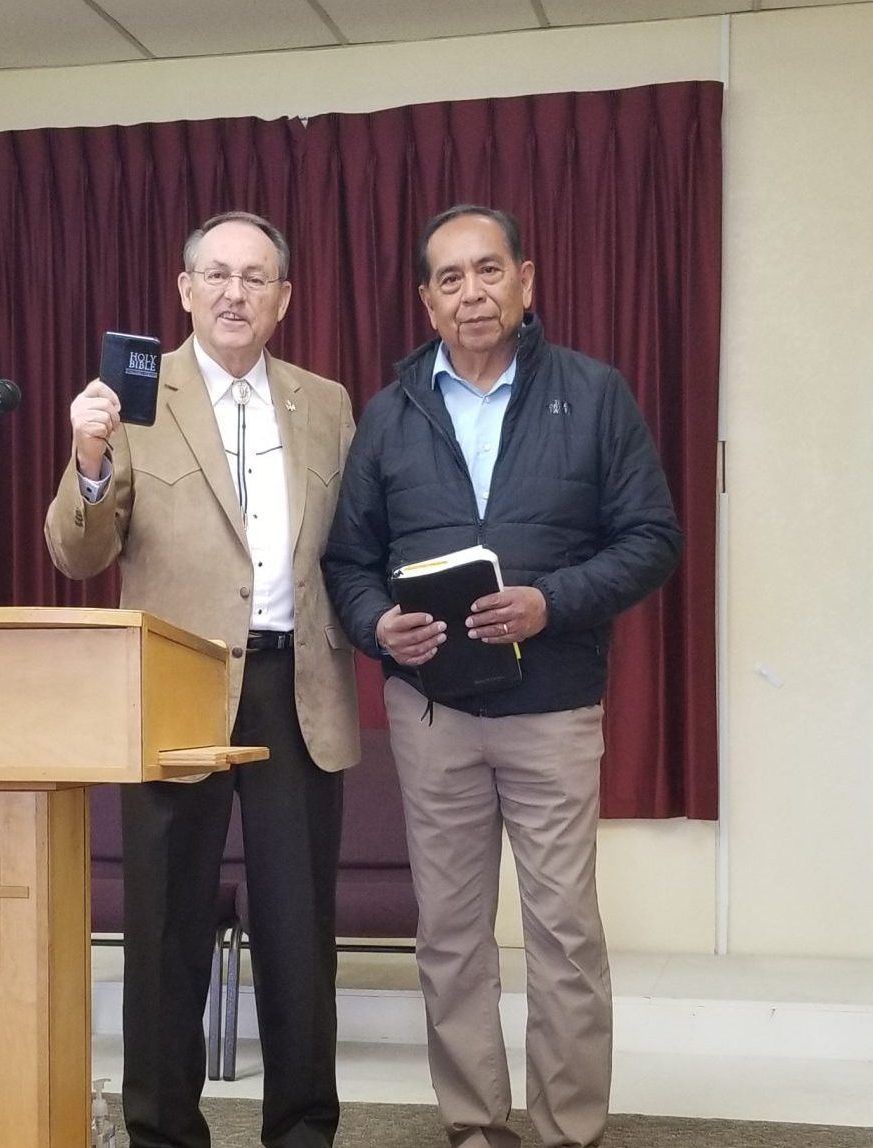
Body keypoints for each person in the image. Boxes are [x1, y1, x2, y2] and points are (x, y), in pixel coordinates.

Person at [321, 205, 682, 1148]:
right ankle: (475, 1126)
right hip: (431, 714)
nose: (471, 293)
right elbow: (348, 562)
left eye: (488, 271)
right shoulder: (390, 415)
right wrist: (376, 625)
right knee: (449, 935)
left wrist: (550, 602)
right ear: (426, 302)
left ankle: (569, 1130)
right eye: (450, 278)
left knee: (564, 933)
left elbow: (653, 538)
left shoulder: (594, 395)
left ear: (527, 280)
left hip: (551, 710)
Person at [45, 211, 359, 1148]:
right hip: (177, 687)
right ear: (184, 290)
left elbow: (353, 543)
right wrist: (89, 459)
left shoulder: (326, 403)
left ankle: (302, 1131)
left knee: (298, 932)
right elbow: (77, 555)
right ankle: (162, 1133)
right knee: (165, 928)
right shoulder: (133, 403)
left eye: (255, 278)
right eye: (216, 274)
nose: (234, 292)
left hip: (296, 688)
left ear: (283, 299)